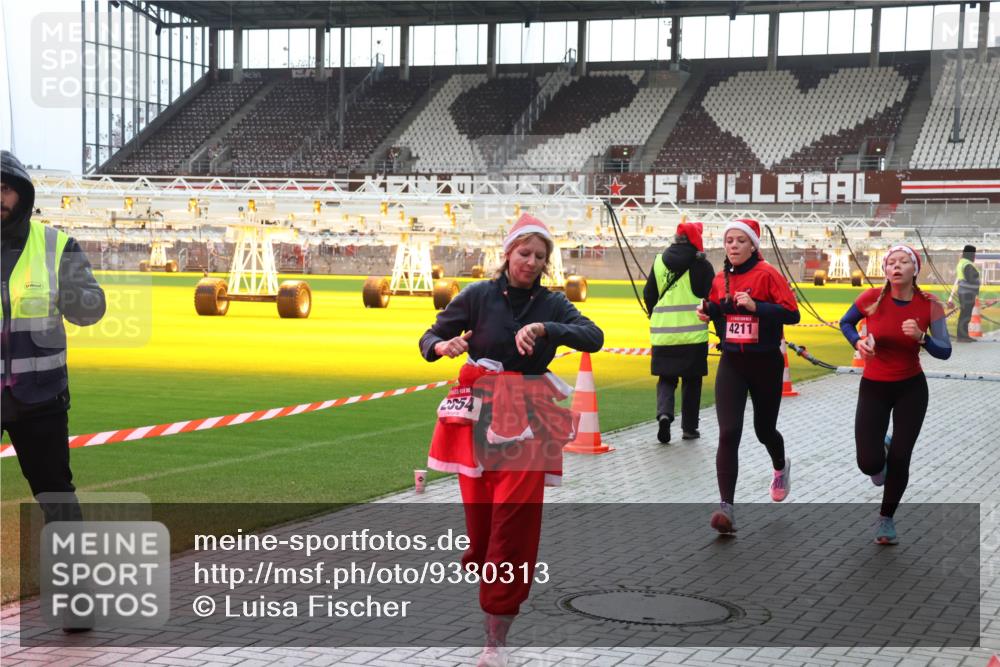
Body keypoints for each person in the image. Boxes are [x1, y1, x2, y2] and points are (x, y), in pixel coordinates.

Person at [419, 213, 603, 667]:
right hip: (478, 418)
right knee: (483, 530)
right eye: (525, 254)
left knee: (512, 528)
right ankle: (490, 583)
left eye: (540, 257)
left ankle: (495, 638)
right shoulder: (479, 296)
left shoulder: (553, 304)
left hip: (530, 422)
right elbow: (430, 336)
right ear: (507, 253)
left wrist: (547, 330)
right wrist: (442, 347)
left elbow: (594, 337)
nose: (532, 263)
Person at [1, 150, 106, 526]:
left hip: (40, 397)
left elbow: (92, 308)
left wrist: (77, 295)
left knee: (57, 496)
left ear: (23, 196)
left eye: (5, 190)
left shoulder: (56, 247)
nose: (0, 199)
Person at [839, 245, 950, 545]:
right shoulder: (870, 299)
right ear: (885, 269)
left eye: (903, 262)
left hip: (911, 388)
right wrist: (857, 342)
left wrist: (922, 338)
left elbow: (945, 351)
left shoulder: (930, 305)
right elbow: (845, 323)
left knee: (901, 458)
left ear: (915, 269)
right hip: (874, 385)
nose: (896, 266)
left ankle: (886, 519)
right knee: (869, 464)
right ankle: (880, 455)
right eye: (891, 262)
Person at [696, 219, 800, 534]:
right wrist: (708, 311)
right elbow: (717, 310)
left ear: (753, 245)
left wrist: (757, 307)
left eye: (741, 241)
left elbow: (792, 314)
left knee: (764, 430)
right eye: (729, 241)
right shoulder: (720, 278)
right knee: (729, 432)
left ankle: (780, 466)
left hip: (766, 363)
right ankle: (726, 507)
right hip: (732, 363)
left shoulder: (768, 274)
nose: (734, 246)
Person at [642, 221, 714, 444]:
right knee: (692, 382)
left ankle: (664, 415)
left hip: (663, 334)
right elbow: (713, 298)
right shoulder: (702, 266)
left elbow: (649, 294)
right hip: (693, 336)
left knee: (666, 378)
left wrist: (654, 313)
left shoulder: (658, 263)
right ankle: (689, 429)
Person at [948, 244, 981, 342]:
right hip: (967, 293)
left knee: (965, 314)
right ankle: (962, 336)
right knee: (966, 315)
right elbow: (971, 278)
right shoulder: (967, 264)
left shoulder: (962, 262)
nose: (974, 256)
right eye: (973, 254)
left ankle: (963, 335)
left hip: (964, 292)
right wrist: (976, 278)